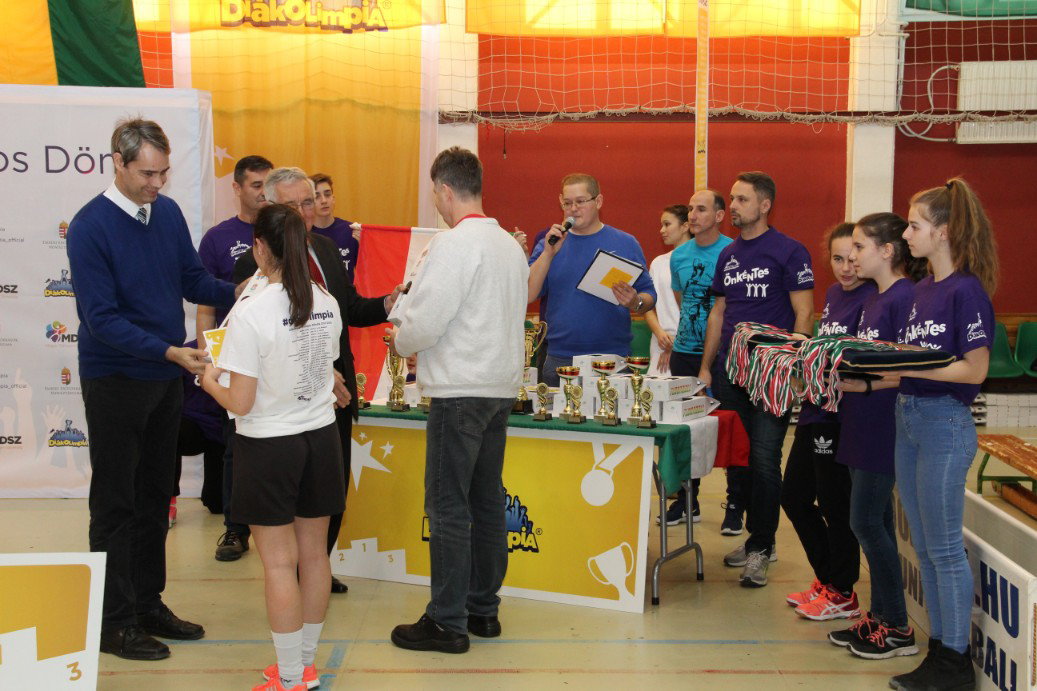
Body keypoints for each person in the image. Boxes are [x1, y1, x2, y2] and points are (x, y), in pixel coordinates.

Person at [67, 118, 238, 660]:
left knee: (153, 498)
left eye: (163, 172)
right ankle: (113, 623)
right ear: (117, 163)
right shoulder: (89, 227)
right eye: (147, 173)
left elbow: (191, 279)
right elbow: (100, 319)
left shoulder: (166, 213)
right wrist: (168, 351)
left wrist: (246, 290)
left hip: (165, 379)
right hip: (116, 380)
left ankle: (147, 604)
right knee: (115, 504)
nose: (157, 184)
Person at [232, 167, 400, 595]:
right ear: (271, 209)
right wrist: (324, 372)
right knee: (284, 511)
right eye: (292, 205)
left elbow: (348, 309)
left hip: (332, 405)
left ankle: (314, 569)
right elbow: (270, 338)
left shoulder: (325, 249)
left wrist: (387, 303)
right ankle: (293, 581)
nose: (304, 212)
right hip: (280, 415)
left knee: (328, 496)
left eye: (308, 202)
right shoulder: (251, 263)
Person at [388, 146, 528, 654]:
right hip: (498, 388)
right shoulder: (509, 245)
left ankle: (446, 621)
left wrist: (399, 339)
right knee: (486, 502)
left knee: (447, 506)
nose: (436, 201)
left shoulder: (452, 244)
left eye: (434, 193)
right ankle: (482, 609)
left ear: (445, 190)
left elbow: (424, 322)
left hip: (459, 390)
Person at [202, 203, 344, 691]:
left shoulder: (253, 312)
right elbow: (324, 369)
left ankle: (288, 678)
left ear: (260, 248)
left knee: (280, 564)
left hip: (269, 446)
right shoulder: (326, 301)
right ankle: (304, 666)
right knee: (315, 557)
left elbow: (240, 402)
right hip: (321, 439)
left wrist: (208, 380)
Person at [887, 178, 997, 691]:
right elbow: (911, 363)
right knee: (927, 547)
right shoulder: (921, 290)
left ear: (945, 231)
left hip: (944, 425)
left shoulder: (965, 290)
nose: (906, 235)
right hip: (908, 419)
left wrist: (909, 367)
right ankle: (940, 651)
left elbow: (975, 370)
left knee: (946, 547)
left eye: (914, 226)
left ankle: (955, 662)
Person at [699, 171, 815, 587]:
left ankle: (762, 547)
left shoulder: (790, 251)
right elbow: (718, 313)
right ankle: (756, 540)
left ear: (765, 205)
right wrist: (706, 366)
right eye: (732, 198)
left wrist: (794, 366)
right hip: (730, 371)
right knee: (740, 460)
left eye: (742, 199)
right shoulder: (728, 255)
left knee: (765, 459)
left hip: (772, 373)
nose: (733, 206)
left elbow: (804, 312)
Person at [827, 212, 927, 660]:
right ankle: (881, 616)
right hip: (859, 421)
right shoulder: (873, 298)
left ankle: (898, 627)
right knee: (877, 521)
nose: (851, 256)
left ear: (887, 252)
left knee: (865, 521)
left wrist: (862, 385)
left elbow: (910, 370)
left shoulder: (904, 298)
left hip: (884, 424)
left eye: (859, 247)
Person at [780, 223, 873, 622]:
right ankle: (828, 578)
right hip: (815, 409)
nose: (845, 267)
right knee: (793, 496)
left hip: (842, 417)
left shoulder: (873, 297)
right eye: (837, 259)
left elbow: (861, 361)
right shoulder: (834, 294)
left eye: (853, 258)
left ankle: (843, 591)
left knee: (836, 505)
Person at [196, 154, 274, 562]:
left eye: (268, 185)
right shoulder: (217, 238)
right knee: (235, 444)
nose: (263, 193)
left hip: (279, 355)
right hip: (235, 356)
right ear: (237, 188)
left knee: (279, 440)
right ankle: (234, 530)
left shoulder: (281, 231)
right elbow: (205, 303)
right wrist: (205, 356)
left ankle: (282, 526)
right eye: (256, 185)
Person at [528, 173, 657, 386]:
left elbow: (649, 295)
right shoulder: (548, 244)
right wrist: (548, 254)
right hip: (560, 358)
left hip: (612, 359)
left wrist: (636, 302)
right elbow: (528, 293)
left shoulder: (626, 243)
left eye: (580, 201)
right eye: (567, 203)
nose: (573, 209)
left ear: (598, 201)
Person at [656, 193, 733, 527]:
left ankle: (735, 505)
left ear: (719, 215)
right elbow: (682, 299)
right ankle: (687, 501)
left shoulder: (732, 252)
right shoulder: (680, 256)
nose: (693, 214)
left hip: (722, 354)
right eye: (690, 208)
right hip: (685, 353)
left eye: (701, 209)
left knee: (728, 427)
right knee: (686, 431)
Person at [310, 173, 360, 283]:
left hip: (346, 293)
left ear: (333, 199)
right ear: (309, 202)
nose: (324, 201)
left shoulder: (351, 231)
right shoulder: (304, 235)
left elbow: (367, 272)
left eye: (327, 194)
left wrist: (364, 247)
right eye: (317, 196)